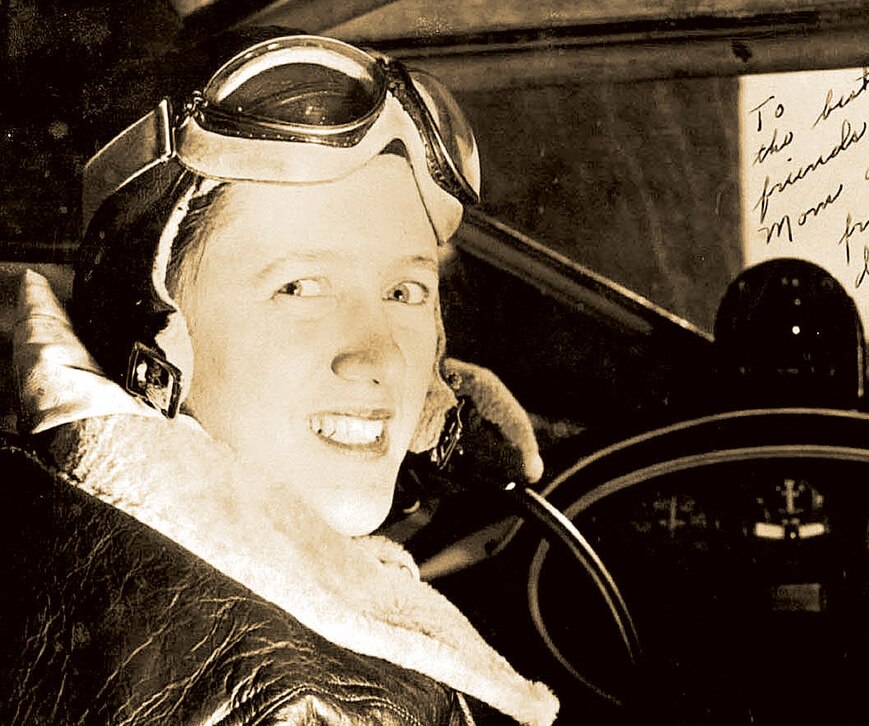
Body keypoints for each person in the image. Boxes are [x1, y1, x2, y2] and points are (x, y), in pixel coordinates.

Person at [5, 29, 558, 725]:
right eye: (301, 287)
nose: (380, 359)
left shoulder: (67, 540)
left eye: (405, 292)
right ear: (151, 339)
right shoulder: (298, 703)